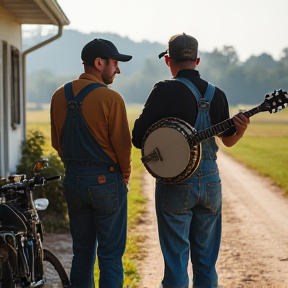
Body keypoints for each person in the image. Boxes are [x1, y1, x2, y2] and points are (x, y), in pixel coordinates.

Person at [132, 33, 250, 288]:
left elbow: (138, 138)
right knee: (206, 262)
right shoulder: (217, 94)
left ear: (168, 61)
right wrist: (239, 129)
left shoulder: (163, 90)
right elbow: (227, 141)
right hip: (210, 181)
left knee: (176, 260)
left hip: (176, 183)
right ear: (197, 60)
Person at [50, 38, 132, 288]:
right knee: (110, 256)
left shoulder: (58, 95)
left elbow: (57, 144)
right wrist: (125, 177)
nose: (117, 69)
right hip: (106, 182)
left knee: (82, 253)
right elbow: (123, 146)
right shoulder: (111, 99)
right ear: (99, 63)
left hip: (73, 181)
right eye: (115, 63)